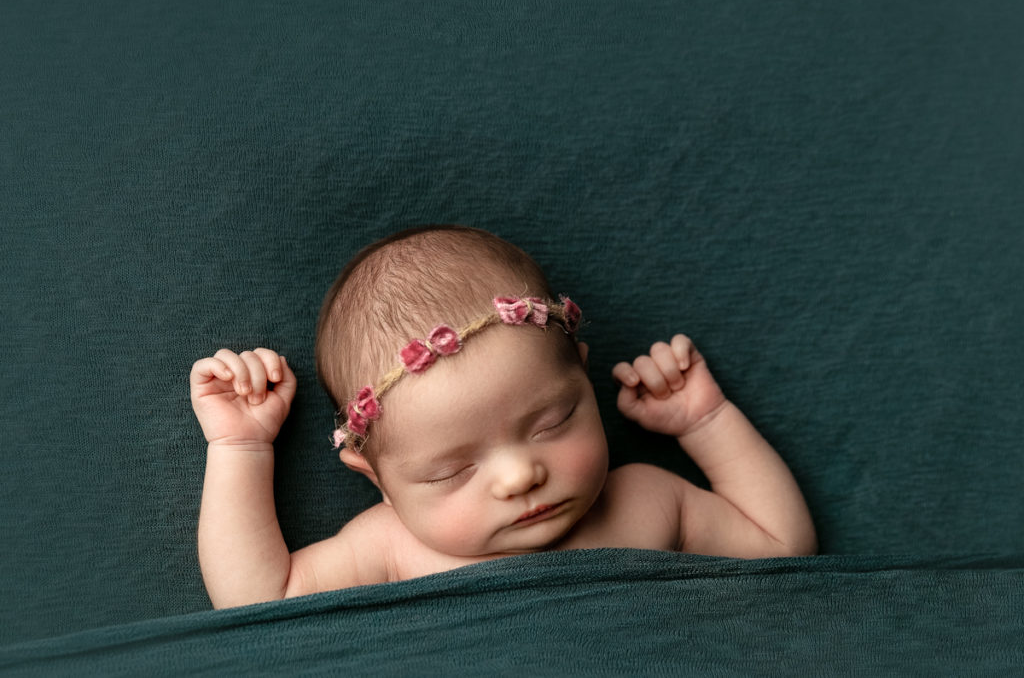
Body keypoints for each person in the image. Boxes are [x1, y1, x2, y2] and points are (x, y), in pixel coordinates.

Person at [190, 225, 816, 609]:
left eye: (551, 424)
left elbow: (783, 548)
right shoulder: (393, 547)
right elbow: (257, 599)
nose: (520, 476)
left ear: (584, 375)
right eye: (450, 471)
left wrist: (706, 423)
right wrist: (240, 449)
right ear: (373, 475)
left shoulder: (648, 501)